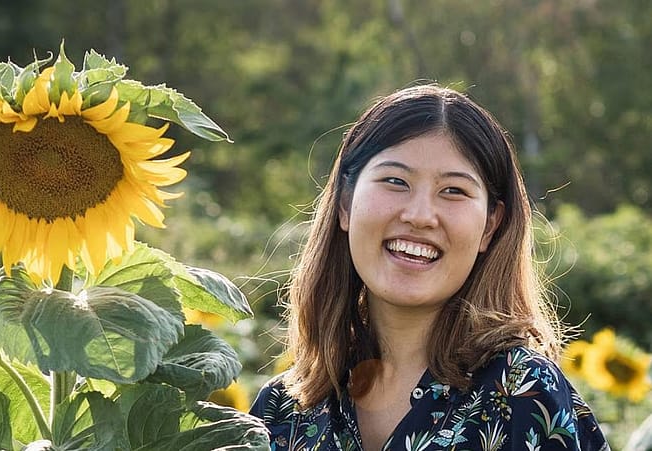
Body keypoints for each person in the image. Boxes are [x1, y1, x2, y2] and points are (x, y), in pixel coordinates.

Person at [250, 85, 608, 450]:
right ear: (345, 203)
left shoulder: (524, 394)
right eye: (395, 181)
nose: (420, 216)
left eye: (453, 191)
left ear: (490, 225)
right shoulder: (280, 414)